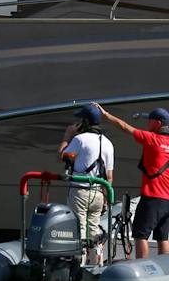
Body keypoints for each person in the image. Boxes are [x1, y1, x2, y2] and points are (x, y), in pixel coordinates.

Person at [96, 104, 169, 260]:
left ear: (158, 123)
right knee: (163, 237)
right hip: (167, 200)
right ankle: (166, 270)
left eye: (149, 120)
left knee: (140, 234)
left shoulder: (152, 139)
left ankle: (142, 266)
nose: (147, 123)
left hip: (152, 197)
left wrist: (106, 115)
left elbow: (124, 127)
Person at [60, 103, 116, 265]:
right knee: (94, 232)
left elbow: (61, 156)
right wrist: (106, 198)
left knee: (79, 231)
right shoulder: (108, 143)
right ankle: (95, 266)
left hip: (80, 192)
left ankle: (79, 267)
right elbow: (110, 176)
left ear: (85, 121)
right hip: (99, 193)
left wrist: (67, 136)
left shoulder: (79, 139)